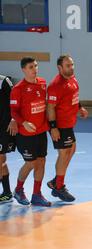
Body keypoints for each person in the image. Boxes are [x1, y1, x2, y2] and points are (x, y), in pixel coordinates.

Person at [46, 55, 88, 202]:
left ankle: (55, 181)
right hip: (60, 125)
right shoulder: (55, 85)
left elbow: (74, 95)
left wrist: (80, 107)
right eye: (68, 65)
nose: (71, 67)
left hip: (69, 124)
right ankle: (59, 187)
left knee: (71, 150)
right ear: (60, 68)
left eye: (72, 64)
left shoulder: (73, 79)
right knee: (64, 154)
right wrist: (53, 128)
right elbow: (50, 107)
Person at [10, 57, 51, 207]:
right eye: (30, 67)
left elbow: (44, 105)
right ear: (23, 70)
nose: (34, 69)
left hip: (41, 131)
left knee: (41, 162)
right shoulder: (18, 89)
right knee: (31, 163)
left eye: (35, 66)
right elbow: (13, 111)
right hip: (25, 134)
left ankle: (36, 194)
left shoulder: (42, 83)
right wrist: (23, 123)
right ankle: (19, 189)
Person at [0, 75, 18, 204]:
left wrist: (14, 119)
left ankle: (7, 192)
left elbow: (15, 101)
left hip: (3, 128)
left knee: (0, 159)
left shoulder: (3, 82)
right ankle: (6, 192)